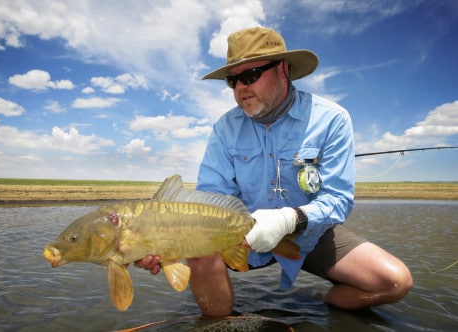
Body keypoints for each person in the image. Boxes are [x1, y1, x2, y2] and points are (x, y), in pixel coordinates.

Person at [135, 27, 413, 316]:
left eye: (250, 75)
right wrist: (165, 245)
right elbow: (211, 199)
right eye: (232, 80)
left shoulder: (333, 119)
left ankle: (326, 301)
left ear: (283, 69)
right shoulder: (224, 128)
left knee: (395, 282)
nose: (240, 87)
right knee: (201, 257)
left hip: (310, 233)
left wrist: (289, 219)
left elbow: (338, 200)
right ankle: (221, 322)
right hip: (239, 235)